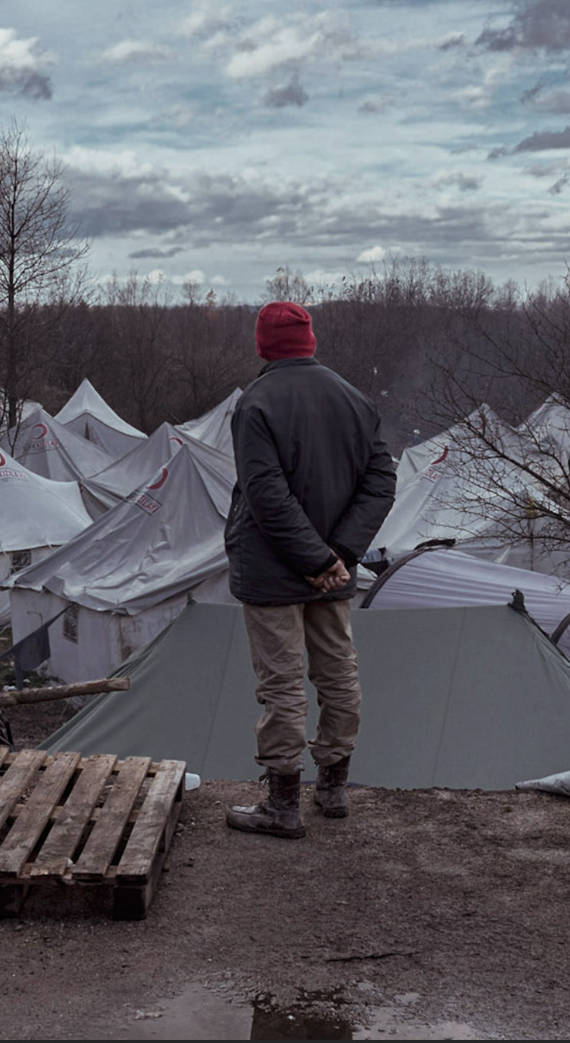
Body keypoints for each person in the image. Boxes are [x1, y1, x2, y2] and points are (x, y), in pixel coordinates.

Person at [222, 301, 397, 840]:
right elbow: (381, 483)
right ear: (309, 341)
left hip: (276, 570)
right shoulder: (354, 398)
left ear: (263, 346)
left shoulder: (256, 404)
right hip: (332, 570)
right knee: (339, 674)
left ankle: (282, 804)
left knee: (282, 684)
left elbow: (267, 496)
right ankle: (333, 786)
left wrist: (321, 558)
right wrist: (337, 555)